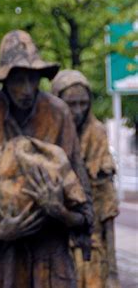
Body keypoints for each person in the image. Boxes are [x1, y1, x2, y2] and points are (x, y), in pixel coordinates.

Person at [0, 30, 93, 287]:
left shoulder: (58, 113)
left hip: (51, 256)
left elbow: (84, 212)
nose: (27, 89)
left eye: (32, 79)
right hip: (2, 261)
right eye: (18, 80)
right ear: (5, 80)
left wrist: (60, 211)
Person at [52, 69, 120, 288]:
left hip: (91, 246)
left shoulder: (96, 134)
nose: (78, 111)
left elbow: (107, 208)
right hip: (55, 245)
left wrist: (112, 272)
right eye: (70, 104)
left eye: (83, 103)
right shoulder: (47, 134)